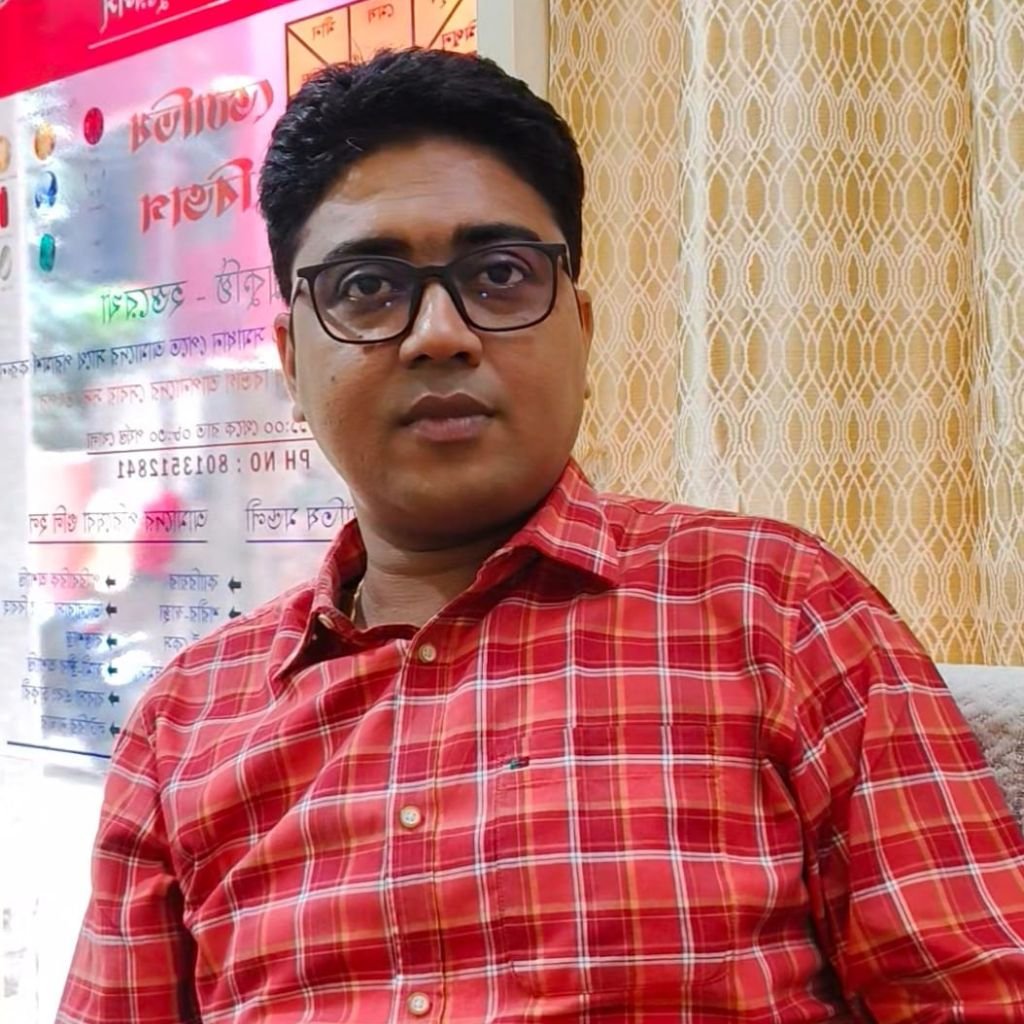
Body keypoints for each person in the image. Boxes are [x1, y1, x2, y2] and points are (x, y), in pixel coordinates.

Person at [58, 48, 1024, 1023]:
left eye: (500, 274)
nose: (439, 333)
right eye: (366, 286)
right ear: (291, 361)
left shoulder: (781, 610)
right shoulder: (183, 726)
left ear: (583, 331)